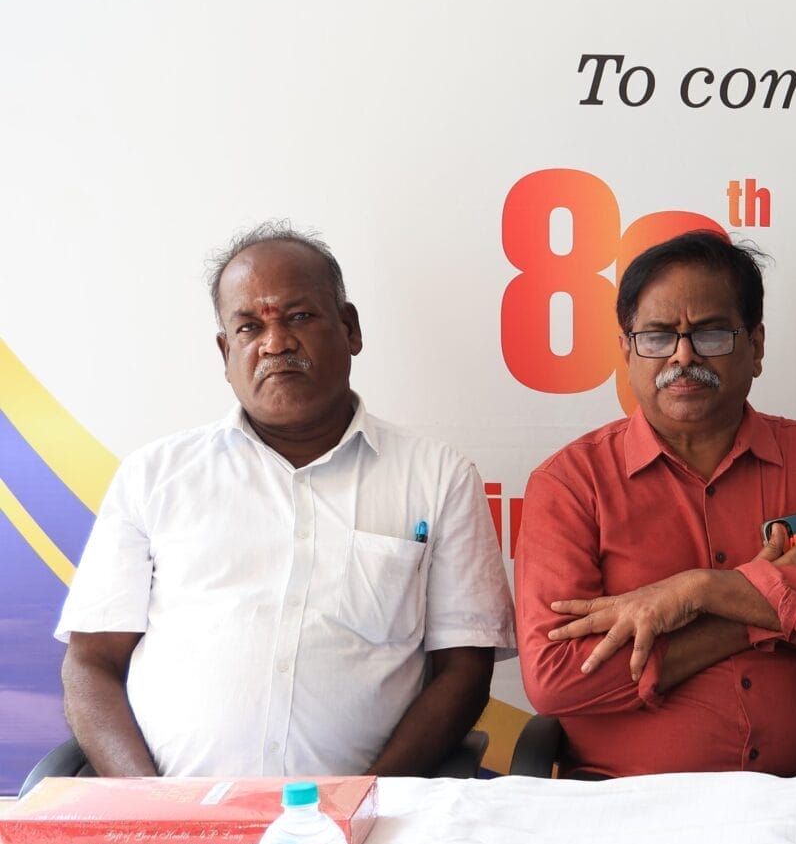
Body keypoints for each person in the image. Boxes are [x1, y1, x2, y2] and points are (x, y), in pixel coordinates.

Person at [55, 223, 515, 777]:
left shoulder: (437, 476)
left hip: (369, 816)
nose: (275, 343)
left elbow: (464, 670)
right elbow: (91, 663)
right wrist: (148, 804)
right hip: (174, 810)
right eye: (249, 327)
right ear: (226, 352)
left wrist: (364, 800)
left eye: (298, 317)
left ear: (349, 329)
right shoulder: (154, 476)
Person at [515, 231, 796, 777]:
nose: (683, 356)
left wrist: (700, 590)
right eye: (658, 336)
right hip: (627, 803)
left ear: (756, 346)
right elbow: (557, 678)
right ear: (627, 350)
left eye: (710, 333)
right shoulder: (570, 484)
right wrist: (750, 614)